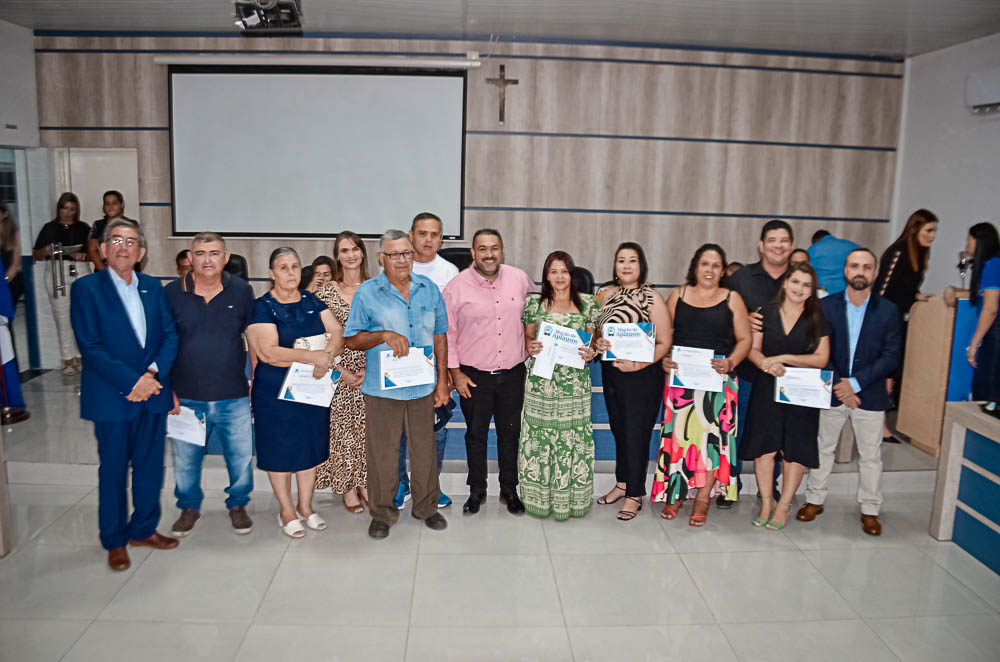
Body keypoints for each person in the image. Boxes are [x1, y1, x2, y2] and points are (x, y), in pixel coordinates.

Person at [69, 219, 179, 571]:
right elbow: (90, 346)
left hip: (153, 392)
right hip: (113, 396)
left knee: (150, 467)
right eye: (115, 239)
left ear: (141, 252)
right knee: (114, 471)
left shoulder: (153, 286)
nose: (123, 246)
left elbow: (170, 336)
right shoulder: (87, 289)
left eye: (131, 241)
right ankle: (115, 540)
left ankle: (144, 529)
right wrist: (133, 382)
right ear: (102, 249)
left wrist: (151, 375)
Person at [344, 230, 450, 539]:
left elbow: (441, 335)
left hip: (422, 387)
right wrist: (383, 336)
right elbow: (351, 339)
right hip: (383, 390)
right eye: (394, 254)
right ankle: (382, 513)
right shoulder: (367, 293)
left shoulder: (429, 289)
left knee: (424, 452)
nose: (402, 260)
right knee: (383, 454)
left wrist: (443, 381)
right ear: (381, 258)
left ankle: (426, 508)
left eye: (407, 253)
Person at [797, 248, 901, 536]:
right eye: (855, 266)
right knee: (823, 447)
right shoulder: (825, 306)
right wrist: (841, 384)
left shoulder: (889, 310)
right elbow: (816, 348)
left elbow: (891, 356)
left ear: (875, 273)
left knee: (870, 455)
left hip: (869, 393)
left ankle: (870, 509)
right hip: (831, 389)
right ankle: (814, 500)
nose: (860, 272)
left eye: (867, 267)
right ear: (845, 271)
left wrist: (854, 384)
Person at [245, 248, 343, 538]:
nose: (291, 273)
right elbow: (269, 352)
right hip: (275, 391)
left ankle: (306, 506)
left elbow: (337, 332)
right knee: (280, 450)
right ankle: (286, 510)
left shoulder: (312, 300)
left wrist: (327, 354)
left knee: (308, 447)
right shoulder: (262, 307)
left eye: (296, 267)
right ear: (272, 274)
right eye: (284, 268)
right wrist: (314, 358)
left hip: (311, 389)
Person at [164, 232, 256, 537]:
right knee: (186, 459)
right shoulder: (172, 293)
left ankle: (238, 505)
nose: (207, 260)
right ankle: (189, 507)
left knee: (241, 457)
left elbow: (253, 337)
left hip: (233, 393)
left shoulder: (242, 291)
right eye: (200, 253)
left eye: (214, 253)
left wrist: (254, 377)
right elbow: (161, 343)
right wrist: (167, 389)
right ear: (190, 258)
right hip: (187, 395)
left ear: (226, 258)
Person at [652, 244, 751, 526]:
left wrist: (731, 362)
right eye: (705, 264)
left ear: (723, 271)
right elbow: (665, 337)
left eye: (716, 265)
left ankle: (704, 497)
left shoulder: (732, 298)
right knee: (681, 441)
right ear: (695, 267)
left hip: (719, 385)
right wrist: (666, 359)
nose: (709, 270)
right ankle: (678, 494)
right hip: (682, 385)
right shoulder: (678, 295)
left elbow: (745, 340)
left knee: (711, 444)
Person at [443, 228, 535, 515]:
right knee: (476, 435)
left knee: (510, 434)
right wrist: (455, 373)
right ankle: (477, 491)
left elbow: (537, 312)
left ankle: (509, 490)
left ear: (503, 251)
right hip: (474, 376)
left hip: (512, 373)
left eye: (494, 248)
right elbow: (447, 334)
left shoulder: (519, 279)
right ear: (473, 253)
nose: (489, 254)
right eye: (482, 248)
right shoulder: (456, 287)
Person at [740, 263, 830, 530]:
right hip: (767, 388)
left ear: (812, 290)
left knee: (794, 452)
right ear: (785, 283)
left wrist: (786, 359)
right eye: (795, 282)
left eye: (806, 285)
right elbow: (752, 350)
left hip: (802, 393)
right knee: (765, 450)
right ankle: (767, 502)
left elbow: (822, 359)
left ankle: (784, 505)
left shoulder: (817, 318)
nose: (800, 289)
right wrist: (768, 364)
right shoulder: (764, 313)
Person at [592, 242, 671, 520]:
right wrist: (599, 342)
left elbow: (664, 342)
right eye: (621, 260)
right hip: (612, 372)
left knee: (636, 434)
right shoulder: (605, 294)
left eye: (632, 261)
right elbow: (598, 331)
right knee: (619, 430)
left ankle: (635, 494)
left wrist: (640, 363)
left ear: (641, 265)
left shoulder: (652, 297)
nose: (626, 266)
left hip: (643, 376)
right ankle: (622, 483)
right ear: (615, 265)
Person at [519, 251, 599, 520]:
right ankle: (538, 498)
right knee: (540, 440)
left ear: (572, 274)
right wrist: (531, 347)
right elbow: (528, 340)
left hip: (574, 385)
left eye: (564, 271)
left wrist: (592, 352)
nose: (560, 277)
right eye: (554, 271)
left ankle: (571, 500)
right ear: (546, 276)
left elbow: (594, 343)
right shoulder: (534, 304)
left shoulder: (588, 304)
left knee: (571, 440)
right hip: (542, 383)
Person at [724, 219, 793, 506]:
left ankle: (771, 486)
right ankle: (731, 485)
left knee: (777, 431)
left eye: (784, 240)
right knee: (735, 430)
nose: (778, 245)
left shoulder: (799, 278)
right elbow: (721, 315)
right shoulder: (741, 279)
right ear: (761, 245)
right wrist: (741, 320)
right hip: (747, 370)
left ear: (791, 245)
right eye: (772, 240)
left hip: (785, 373)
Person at [397, 212, 459, 509]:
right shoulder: (395, 266)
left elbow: (452, 326)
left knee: (436, 428)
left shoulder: (450, 274)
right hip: (396, 362)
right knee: (397, 428)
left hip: (435, 364)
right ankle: (400, 484)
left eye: (435, 234)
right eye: (423, 233)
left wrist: (447, 373)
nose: (429, 240)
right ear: (411, 235)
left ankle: (430, 485)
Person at [315, 231, 370, 512]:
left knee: (369, 431)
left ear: (362, 252)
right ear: (338, 255)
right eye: (344, 250)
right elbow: (316, 341)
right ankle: (347, 487)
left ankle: (365, 483)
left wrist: (370, 370)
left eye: (355, 249)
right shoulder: (323, 293)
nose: (350, 255)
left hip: (373, 372)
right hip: (337, 373)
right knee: (342, 432)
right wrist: (342, 371)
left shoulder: (377, 289)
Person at [874, 209, 939, 440]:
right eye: (929, 230)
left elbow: (905, 288)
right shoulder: (898, 251)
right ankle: (880, 426)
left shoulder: (918, 255)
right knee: (884, 372)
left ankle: (881, 424)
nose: (932, 236)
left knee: (892, 373)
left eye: (935, 231)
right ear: (915, 228)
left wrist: (916, 295)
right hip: (884, 322)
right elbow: (883, 289)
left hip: (898, 321)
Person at [33, 192, 92, 376]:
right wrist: (46, 250)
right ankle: (68, 358)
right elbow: (36, 255)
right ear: (59, 208)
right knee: (62, 317)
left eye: (72, 209)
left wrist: (84, 256)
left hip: (79, 270)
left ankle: (82, 356)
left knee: (82, 316)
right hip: (57, 270)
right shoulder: (49, 228)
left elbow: (94, 253)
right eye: (65, 208)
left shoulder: (83, 228)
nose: (68, 212)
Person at [944, 223, 1000, 415]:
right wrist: (954, 290)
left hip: (995, 336)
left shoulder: (993, 264)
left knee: (987, 395)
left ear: (979, 241)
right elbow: (983, 294)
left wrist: (974, 343)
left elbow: (991, 308)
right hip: (993, 335)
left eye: (968, 239)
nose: (966, 244)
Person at [86, 190, 140, 271]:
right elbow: (92, 250)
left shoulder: (132, 224)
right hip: (103, 272)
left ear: (122, 205)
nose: (111, 207)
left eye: (114, 203)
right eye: (107, 204)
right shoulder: (98, 225)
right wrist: (104, 271)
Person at [807, 229, 860, 295]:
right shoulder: (853, 246)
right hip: (850, 293)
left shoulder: (812, 249)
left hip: (824, 294)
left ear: (816, 241)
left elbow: (806, 272)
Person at [0, 202, 24, 305]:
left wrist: (3, 282)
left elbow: (16, 266)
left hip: (12, 281)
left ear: (5, 214)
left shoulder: (15, 234)